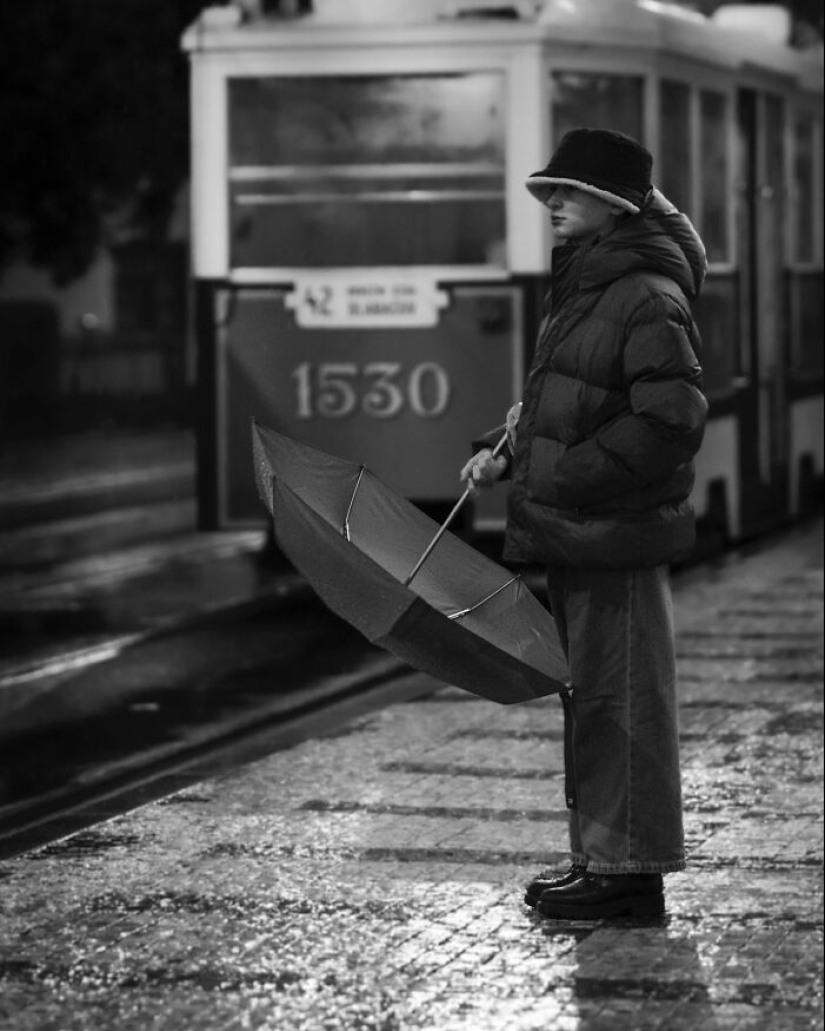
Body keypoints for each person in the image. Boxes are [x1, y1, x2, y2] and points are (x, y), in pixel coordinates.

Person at [460, 128, 708, 920]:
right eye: (549, 191)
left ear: (613, 205)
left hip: (611, 532)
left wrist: (565, 477)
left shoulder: (641, 292)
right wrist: (507, 453)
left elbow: (669, 419)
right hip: (582, 531)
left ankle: (628, 872)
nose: (552, 204)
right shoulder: (592, 284)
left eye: (567, 191)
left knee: (623, 699)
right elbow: (569, 400)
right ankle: (603, 858)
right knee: (599, 700)